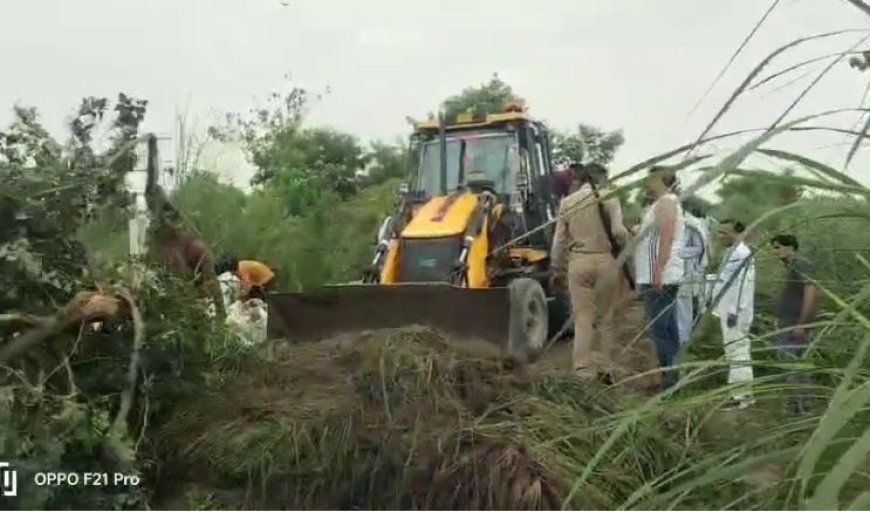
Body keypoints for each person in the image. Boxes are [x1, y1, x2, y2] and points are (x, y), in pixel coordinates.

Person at [550, 162, 630, 383]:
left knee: (582, 319)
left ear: (578, 181)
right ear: (598, 179)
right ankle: (605, 368)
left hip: (579, 263)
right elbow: (618, 232)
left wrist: (556, 267)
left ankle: (583, 371)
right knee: (606, 317)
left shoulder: (567, 202)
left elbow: (558, 242)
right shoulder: (610, 198)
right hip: (605, 261)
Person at [632, 166, 685, 390]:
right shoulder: (665, 203)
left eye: (650, 180)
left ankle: (669, 380)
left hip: (660, 275)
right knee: (668, 328)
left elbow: (666, 237)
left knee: (660, 330)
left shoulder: (666, 203)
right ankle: (673, 375)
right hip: (662, 273)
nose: (647, 184)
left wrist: (658, 271)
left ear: (660, 180)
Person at [770, 233, 818, 414]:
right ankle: (796, 406)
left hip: (794, 325)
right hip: (786, 323)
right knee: (790, 366)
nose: (775, 252)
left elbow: (811, 292)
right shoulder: (790, 267)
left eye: (778, 247)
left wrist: (801, 324)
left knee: (794, 367)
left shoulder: (801, 264)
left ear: (790, 247)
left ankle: (802, 408)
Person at [711, 219, 756, 410]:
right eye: (719, 232)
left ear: (737, 233)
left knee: (738, 352)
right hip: (729, 308)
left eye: (724, 233)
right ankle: (737, 393)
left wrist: (733, 311)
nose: (720, 237)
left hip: (735, 312)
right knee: (733, 351)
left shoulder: (740, 253)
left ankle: (742, 396)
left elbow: (742, 285)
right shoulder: (733, 252)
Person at [676, 204, 710, 345]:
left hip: (686, 271)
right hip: (670, 271)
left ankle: (684, 338)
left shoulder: (692, 225)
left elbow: (699, 248)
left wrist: (678, 252)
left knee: (684, 306)